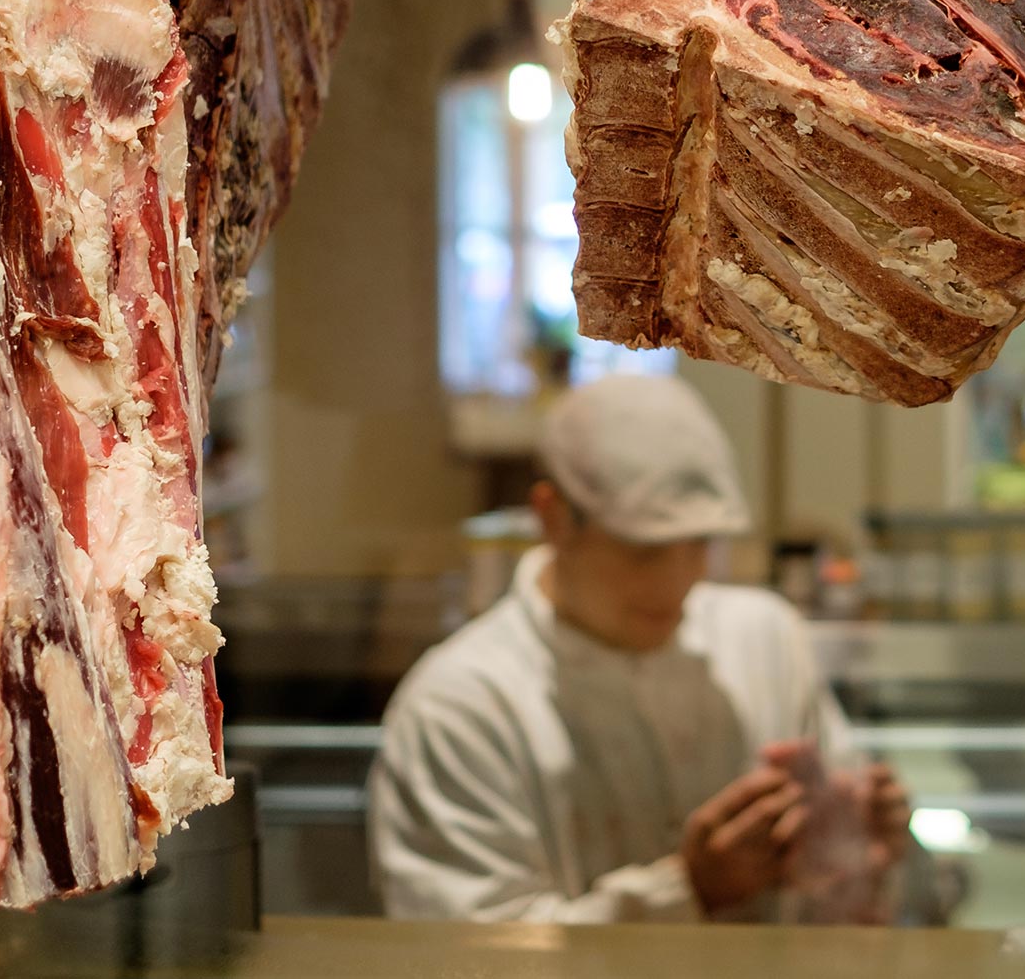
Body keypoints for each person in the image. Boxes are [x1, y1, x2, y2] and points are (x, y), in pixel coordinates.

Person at [368, 373, 911, 923]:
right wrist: (689, 889)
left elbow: (846, 905)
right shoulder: (462, 704)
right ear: (553, 517)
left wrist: (869, 849)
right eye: (643, 550)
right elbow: (465, 952)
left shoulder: (763, 639)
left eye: (698, 544)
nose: (677, 581)